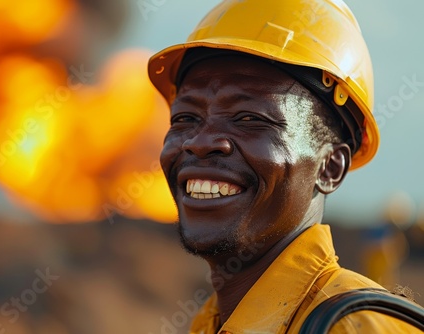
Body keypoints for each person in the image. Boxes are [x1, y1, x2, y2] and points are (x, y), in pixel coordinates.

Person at [147, 0, 423, 333]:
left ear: (330, 168)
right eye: (185, 118)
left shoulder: (353, 327)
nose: (200, 142)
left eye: (249, 118)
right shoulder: (212, 323)